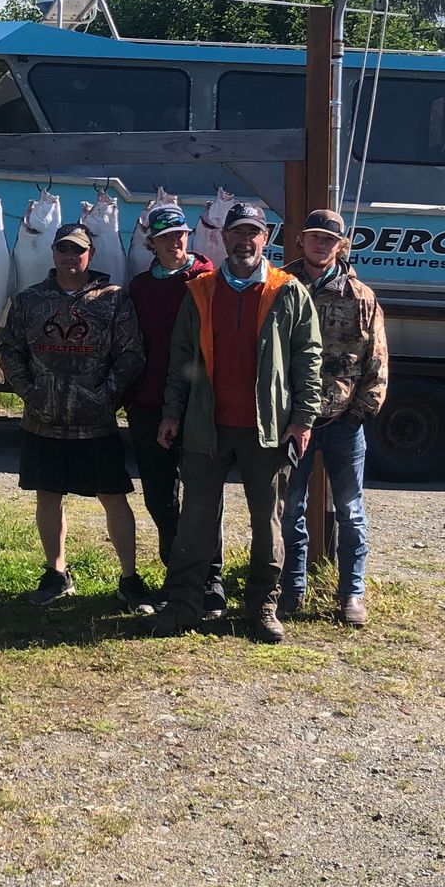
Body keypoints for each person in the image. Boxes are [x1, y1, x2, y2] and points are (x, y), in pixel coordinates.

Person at [154, 202, 323, 642]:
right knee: (195, 519)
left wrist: (302, 420)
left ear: (266, 238)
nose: (245, 240)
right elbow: (181, 360)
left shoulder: (289, 291)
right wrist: (172, 412)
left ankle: (262, 608)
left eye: (254, 233)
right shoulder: (201, 290)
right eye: (237, 232)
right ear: (222, 238)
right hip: (205, 428)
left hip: (267, 430)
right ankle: (183, 606)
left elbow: (309, 359)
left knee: (267, 522)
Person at [0, 220, 148, 606]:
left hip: (95, 424)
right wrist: (29, 391)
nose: (70, 257)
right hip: (42, 421)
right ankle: (56, 573)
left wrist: (106, 396)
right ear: (53, 254)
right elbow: (9, 347)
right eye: (63, 249)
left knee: (114, 497)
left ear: (90, 254)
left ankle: (129, 578)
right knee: (47, 496)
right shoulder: (30, 300)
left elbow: (131, 354)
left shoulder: (113, 298)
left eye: (78, 250)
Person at [282, 208, 389, 628]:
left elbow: (376, 361)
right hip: (294, 422)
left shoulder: (361, 296)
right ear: (301, 242)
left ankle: (351, 594)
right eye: (314, 237)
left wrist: (358, 413)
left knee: (350, 511)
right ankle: (291, 590)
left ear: (341, 246)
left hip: (344, 422)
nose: (321, 245)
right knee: (290, 509)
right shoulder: (281, 288)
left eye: (329, 239)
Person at [121, 201, 215, 607]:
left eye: (179, 235)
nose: (173, 243)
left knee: (202, 494)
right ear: (151, 243)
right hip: (147, 403)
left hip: (199, 404)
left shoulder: (208, 278)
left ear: (188, 237)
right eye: (164, 238)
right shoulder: (140, 286)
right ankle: (176, 577)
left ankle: (211, 581)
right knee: (160, 495)